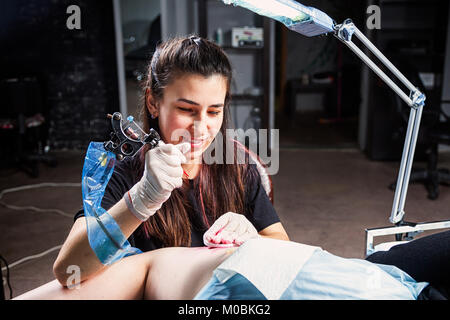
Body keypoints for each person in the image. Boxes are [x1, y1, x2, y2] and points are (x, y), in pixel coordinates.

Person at [52, 35, 289, 286]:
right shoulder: (124, 175)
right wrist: (140, 201)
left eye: (213, 111)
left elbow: (282, 245)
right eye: (187, 110)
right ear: (154, 103)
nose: (201, 127)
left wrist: (253, 241)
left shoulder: (237, 169)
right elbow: (69, 271)